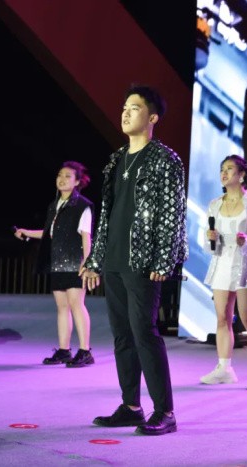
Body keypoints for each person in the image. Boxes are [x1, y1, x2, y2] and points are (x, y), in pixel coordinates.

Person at [79, 85, 188, 436]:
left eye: (135, 107)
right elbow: (107, 214)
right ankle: (131, 406)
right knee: (122, 335)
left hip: (143, 261)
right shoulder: (116, 159)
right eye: (124, 107)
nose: (125, 112)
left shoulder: (165, 159)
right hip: (114, 257)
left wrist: (164, 259)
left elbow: (172, 213)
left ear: (152, 117)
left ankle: (165, 411)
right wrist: (95, 258)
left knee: (144, 333)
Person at [14, 161, 95, 368]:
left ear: (77, 182)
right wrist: (27, 232)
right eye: (60, 175)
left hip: (76, 262)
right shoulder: (54, 205)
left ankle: (85, 351)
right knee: (62, 307)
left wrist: (88, 263)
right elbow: (50, 233)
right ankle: (64, 350)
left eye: (68, 176)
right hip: (57, 262)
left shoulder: (83, 206)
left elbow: (86, 236)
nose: (62, 179)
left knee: (77, 304)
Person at [201, 155, 247, 390]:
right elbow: (208, 241)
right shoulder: (214, 204)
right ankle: (224, 368)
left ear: (241, 175)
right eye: (222, 169)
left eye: (229, 169)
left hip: (245, 265)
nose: (224, 173)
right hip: (222, 263)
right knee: (222, 317)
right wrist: (210, 238)